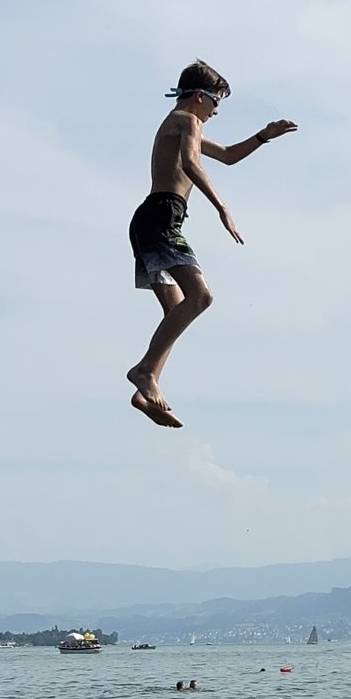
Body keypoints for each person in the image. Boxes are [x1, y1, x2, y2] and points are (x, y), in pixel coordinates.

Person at [126, 60, 297, 427]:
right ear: (200, 97)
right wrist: (222, 207)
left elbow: (229, 156)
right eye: (216, 103)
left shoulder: (182, 125)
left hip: (150, 221)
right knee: (201, 297)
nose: (216, 112)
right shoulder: (187, 121)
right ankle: (144, 373)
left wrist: (263, 136)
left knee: (176, 310)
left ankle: (147, 386)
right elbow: (190, 162)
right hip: (161, 218)